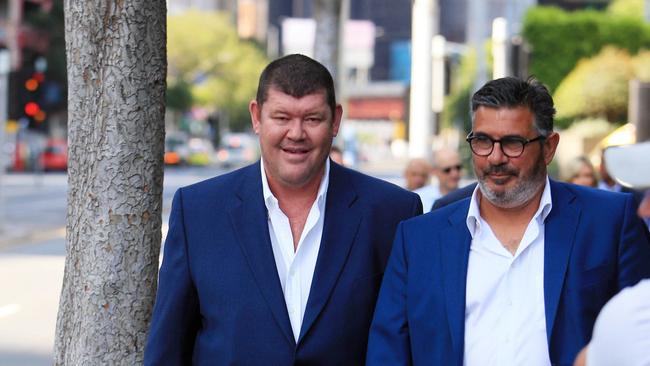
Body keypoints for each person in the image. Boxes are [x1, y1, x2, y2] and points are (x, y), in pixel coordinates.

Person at [144, 54, 422, 365]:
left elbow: (408, 344)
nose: (296, 133)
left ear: (336, 120)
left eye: (312, 119)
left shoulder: (393, 213)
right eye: (282, 118)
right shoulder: (197, 212)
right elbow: (167, 350)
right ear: (256, 116)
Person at [367, 76, 650, 366]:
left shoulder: (610, 221)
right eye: (483, 141)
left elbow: (641, 334)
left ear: (549, 147)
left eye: (513, 143)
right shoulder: (419, 239)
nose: (495, 157)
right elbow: (388, 353)